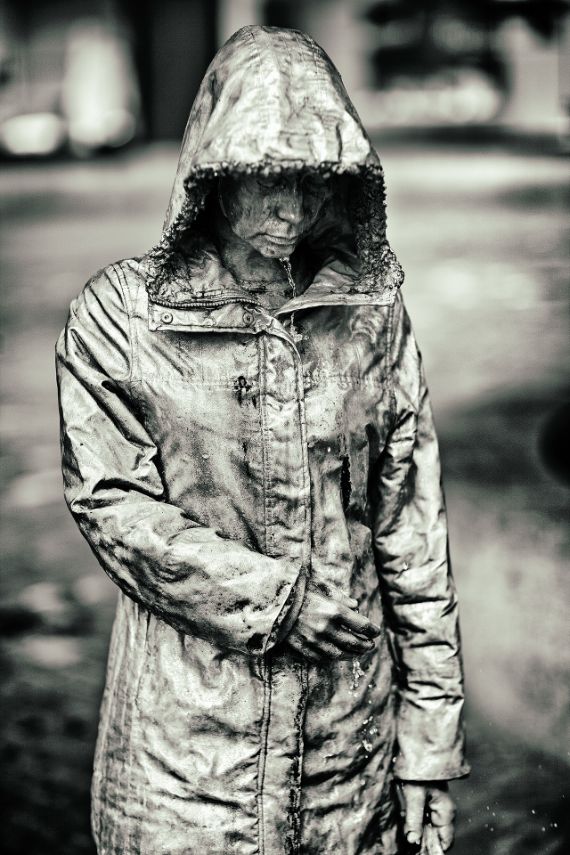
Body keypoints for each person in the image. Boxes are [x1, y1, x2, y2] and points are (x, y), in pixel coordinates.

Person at [56, 25, 469, 855]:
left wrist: (428, 740)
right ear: (212, 171)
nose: (294, 207)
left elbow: (409, 529)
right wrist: (274, 601)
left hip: (344, 753)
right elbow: (113, 504)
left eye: (316, 179)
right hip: (185, 761)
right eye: (267, 177)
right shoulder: (119, 319)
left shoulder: (370, 315)